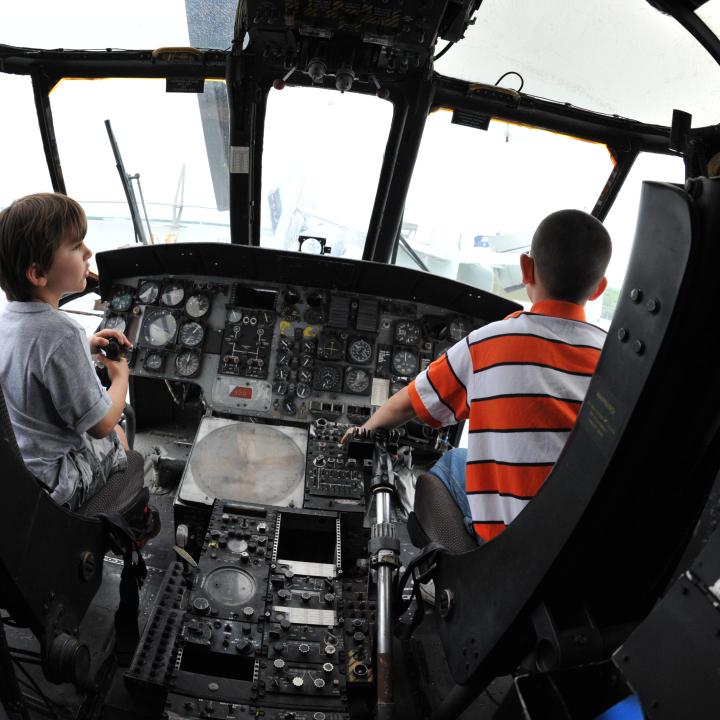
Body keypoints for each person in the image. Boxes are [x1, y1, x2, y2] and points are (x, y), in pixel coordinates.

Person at [345, 209, 612, 544]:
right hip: (583, 542)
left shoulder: (489, 342)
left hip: (509, 547)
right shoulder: (615, 360)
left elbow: (405, 406)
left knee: (448, 464)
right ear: (599, 288)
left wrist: (362, 432)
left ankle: (459, 579)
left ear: (526, 269)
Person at [0, 192, 132, 510]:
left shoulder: (6, 322)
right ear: (38, 274)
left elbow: (29, 362)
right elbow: (100, 425)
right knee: (118, 431)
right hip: (58, 486)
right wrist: (120, 378)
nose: (88, 252)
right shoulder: (63, 331)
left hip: (21, 472)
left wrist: (85, 348)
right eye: (76, 246)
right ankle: (126, 511)